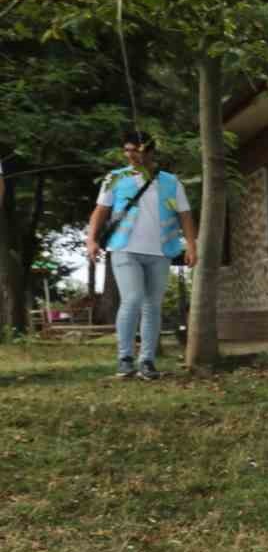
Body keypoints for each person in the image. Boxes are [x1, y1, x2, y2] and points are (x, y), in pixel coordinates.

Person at [85, 131, 197, 379]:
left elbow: (185, 215)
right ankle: (125, 358)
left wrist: (191, 245)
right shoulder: (114, 178)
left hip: (161, 251)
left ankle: (147, 361)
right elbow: (100, 211)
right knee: (133, 298)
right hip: (124, 248)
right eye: (127, 150)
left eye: (136, 149)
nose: (131, 155)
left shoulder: (170, 181)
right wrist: (91, 240)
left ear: (150, 151)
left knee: (152, 306)